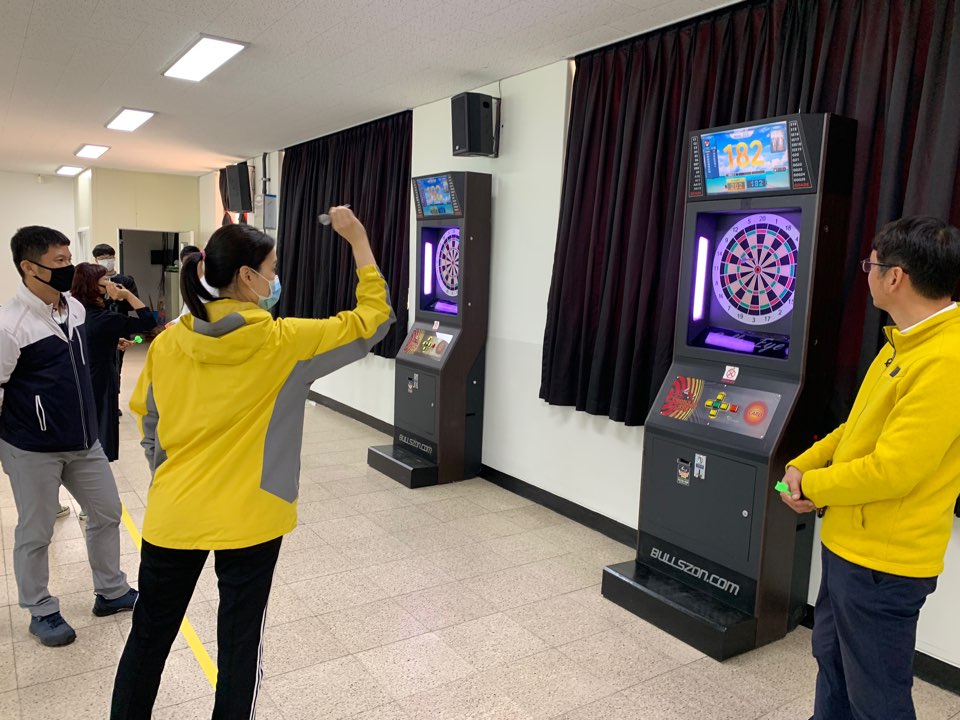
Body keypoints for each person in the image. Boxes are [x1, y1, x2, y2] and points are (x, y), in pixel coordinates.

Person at [111, 207, 394, 718]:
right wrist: (358, 241)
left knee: (148, 637)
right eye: (272, 268)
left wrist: (174, 478)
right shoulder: (285, 343)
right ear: (247, 276)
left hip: (175, 514)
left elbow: (148, 422)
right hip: (252, 518)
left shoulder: (169, 342)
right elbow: (371, 320)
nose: (275, 278)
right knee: (240, 645)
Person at [780, 216, 960, 720]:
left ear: (895, 277)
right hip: (849, 546)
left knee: (876, 697)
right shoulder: (903, 343)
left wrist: (812, 487)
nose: (868, 274)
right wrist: (803, 463)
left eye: (871, 265)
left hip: (883, 565)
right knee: (833, 664)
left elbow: (892, 470)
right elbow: (856, 429)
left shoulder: (946, 360)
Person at [0, 226, 138, 647]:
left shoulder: (74, 308)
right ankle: (40, 608)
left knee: (107, 512)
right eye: (59, 261)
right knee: (37, 530)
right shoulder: (10, 325)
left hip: (83, 441)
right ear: (29, 267)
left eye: (68, 258)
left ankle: (111, 591)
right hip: (32, 447)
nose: (68, 267)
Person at [70, 263, 157, 462]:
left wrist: (110, 341)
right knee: (102, 419)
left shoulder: (76, 311)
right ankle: (99, 459)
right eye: (104, 279)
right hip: (100, 374)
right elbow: (148, 322)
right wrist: (127, 295)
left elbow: (86, 336)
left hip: (82, 372)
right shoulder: (103, 318)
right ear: (94, 285)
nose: (109, 282)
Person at [92, 243, 140, 315]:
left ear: (114, 258)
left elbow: (134, 305)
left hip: (121, 319)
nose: (106, 261)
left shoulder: (126, 280)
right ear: (96, 260)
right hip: (99, 319)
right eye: (102, 259)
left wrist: (123, 296)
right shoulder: (93, 281)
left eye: (109, 258)